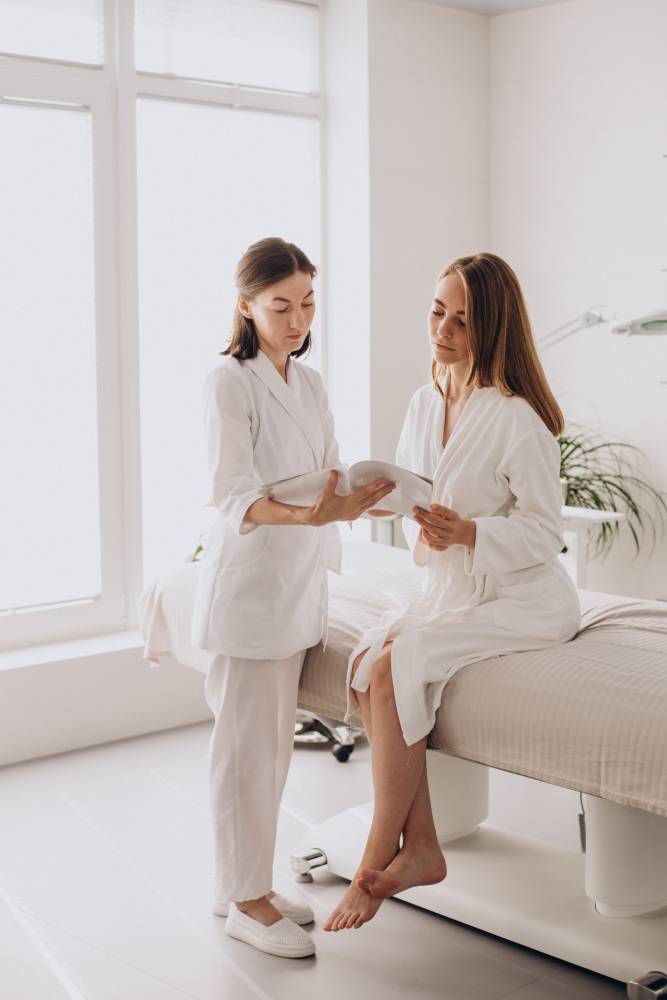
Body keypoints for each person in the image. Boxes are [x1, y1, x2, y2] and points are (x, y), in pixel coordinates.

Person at [323, 252, 581, 933]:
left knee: (394, 668)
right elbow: (420, 497)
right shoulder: (424, 398)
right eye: (437, 312)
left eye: (461, 320)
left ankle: (378, 858)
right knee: (369, 666)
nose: (442, 330)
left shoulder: (516, 417)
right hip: (452, 589)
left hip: (521, 597)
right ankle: (425, 848)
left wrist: (469, 533)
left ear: (491, 328)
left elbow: (543, 531)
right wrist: (398, 512)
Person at [191, 237, 394, 958]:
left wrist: (369, 499)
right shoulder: (230, 381)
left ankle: (237, 885)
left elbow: (328, 475)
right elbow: (233, 496)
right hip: (249, 594)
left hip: (295, 588)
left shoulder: (307, 384)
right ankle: (247, 901)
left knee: (270, 754)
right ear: (246, 306)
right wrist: (312, 515)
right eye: (280, 306)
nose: (296, 319)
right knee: (245, 755)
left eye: (307, 303)